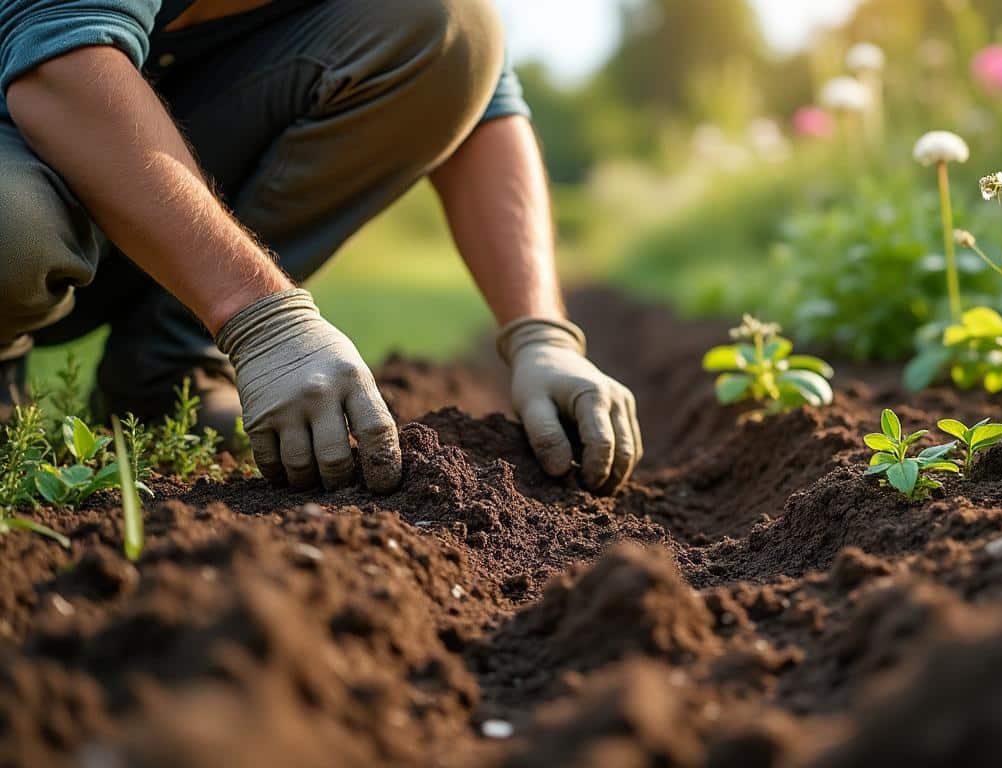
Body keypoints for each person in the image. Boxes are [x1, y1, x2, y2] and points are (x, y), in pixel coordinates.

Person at [0, 0, 643, 495]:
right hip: (33, 113)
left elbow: (484, 98)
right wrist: (263, 316)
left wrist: (541, 336)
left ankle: (168, 376)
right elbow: (61, 58)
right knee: (11, 227)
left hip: (142, 139)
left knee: (446, 25)